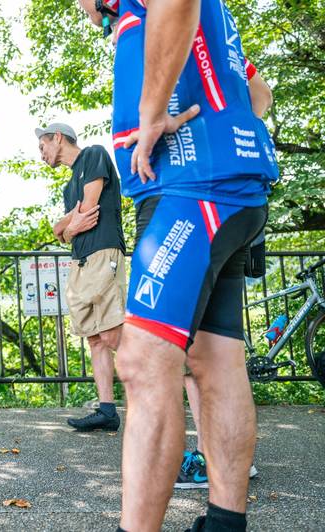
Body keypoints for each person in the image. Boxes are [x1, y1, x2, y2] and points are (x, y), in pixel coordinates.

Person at [77, 0, 279, 530]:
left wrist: (151, 115)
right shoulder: (211, 23)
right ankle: (224, 524)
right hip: (229, 190)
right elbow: (259, 94)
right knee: (216, 360)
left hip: (190, 190)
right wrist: (226, 130)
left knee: (141, 363)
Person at [176, 58, 274, 490]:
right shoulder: (227, 48)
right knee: (222, 349)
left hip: (199, 196)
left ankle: (204, 458)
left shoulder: (169, 35)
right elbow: (263, 94)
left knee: (181, 351)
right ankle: (233, 461)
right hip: (244, 199)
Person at [37, 122, 127, 432]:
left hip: (104, 253)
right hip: (81, 262)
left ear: (58, 137)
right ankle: (107, 411)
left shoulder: (93, 155)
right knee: (95, 338)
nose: (41, 154)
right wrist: (66, 226)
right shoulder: (68, 188)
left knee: (112, 334)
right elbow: (65, 233)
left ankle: (164, 382)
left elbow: (88, 209)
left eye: (42, 147)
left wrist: (66, 226)